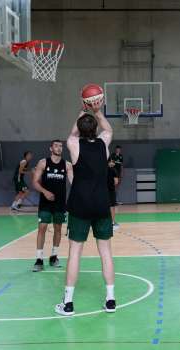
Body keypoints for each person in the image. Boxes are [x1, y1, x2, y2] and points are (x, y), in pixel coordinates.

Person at [55, 95, 116, 316]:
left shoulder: (73, 144)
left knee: (75, 253)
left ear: (80, 129)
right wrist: (97, 110)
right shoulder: (103, 143)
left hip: (80, 205)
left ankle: (68, 303)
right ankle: (110, 299)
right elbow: (108, 129)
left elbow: (71, 134)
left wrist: (83, 110)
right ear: (96, 129)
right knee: (106, 252)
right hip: (101, 205)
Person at [31, 140, 73, 272]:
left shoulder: (67, 165)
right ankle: (39, 259)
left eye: (61, 146)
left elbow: (74, 182)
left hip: (60, 203)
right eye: (56, 146)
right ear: (51, 148)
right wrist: (45, 192)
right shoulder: (43, 162)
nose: (59, 148)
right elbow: (35, 182)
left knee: (58, 229)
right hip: (45, 203)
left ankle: (54, 257)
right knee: (42, 228)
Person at [108, 159, 120, 230]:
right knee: (112, 207)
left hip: (103, 191)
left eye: (113, 162)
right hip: (111, 191)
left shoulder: (102, 169)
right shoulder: (114, 170)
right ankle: (112, 222)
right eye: (111, 162)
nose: (113, 163)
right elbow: (116, 182)